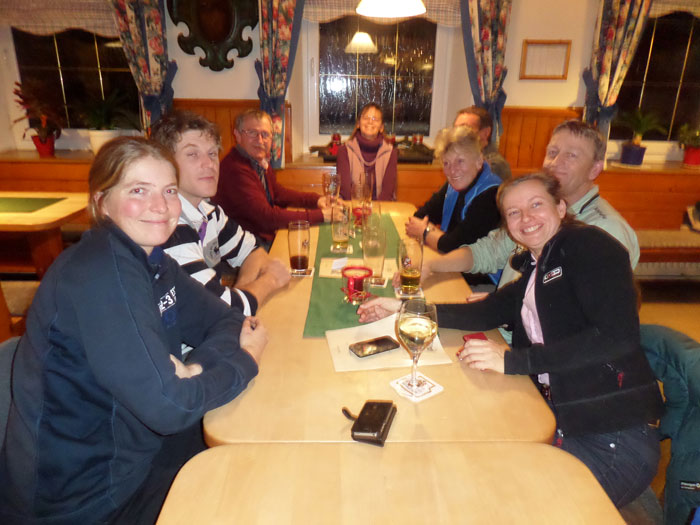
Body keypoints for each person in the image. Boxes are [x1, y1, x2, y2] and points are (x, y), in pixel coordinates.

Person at [0, 137, 267, 524]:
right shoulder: (99, 274)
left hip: (137, 452)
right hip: (86, 501)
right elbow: (171, 408)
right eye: (138, 190)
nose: (160, 206)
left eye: (169, 191)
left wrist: (197, 369)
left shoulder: (153, 261)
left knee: (257, 458)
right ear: (101, 202)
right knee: (245, 494)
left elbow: (227, 321)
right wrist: (246, 360)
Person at [358, 173, 664, 508]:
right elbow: (485, 312)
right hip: (560, 417)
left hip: (613, 437)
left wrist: (513, 361)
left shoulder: (590, 246)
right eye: (514, 212)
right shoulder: (538, 264)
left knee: (506, 505)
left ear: (561, 208)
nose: (526, 218)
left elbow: (617, 337)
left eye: (536, 205)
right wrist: (405, 309)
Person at [427, 120, 639, 298]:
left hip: (525, 331)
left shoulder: (607, 229)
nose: (556, 162)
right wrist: (433, 266)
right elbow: (488, 251)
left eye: (572, 155)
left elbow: (579, 308)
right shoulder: (536, 208)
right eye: (553, 152)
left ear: (594, 169)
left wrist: (507, 307)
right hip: (506, 319)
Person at [151, 110, 290, 316]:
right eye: (193, 154)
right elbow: (220, 311)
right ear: (165, 164)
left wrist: (240, 298)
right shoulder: (169, 230)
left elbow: (253, 252)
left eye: (212, 153)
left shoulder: (209, 212)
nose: (209, 164)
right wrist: (271, 279)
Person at [215, 109, 335, 246]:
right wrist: (322, 215)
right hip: (245, 248)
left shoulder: (257, 161)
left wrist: (317, 200)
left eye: (265, 134)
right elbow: (267, 218)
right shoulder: (235, 169)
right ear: (237, 135)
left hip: (259, 238)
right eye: (252, 133)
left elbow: (277, 193)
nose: (260, 140)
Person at [405, 127, 502, 286]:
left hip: (480, 284)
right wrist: (437, 237)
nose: (452, 170)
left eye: (460, 161)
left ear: (479, 161)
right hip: (454, 270)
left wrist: (425, 231)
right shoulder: (454, 185)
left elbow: (454, 247)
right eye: (446, 163)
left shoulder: (491, 195)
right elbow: (421, 215)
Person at [336, 103, 398, 201]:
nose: (370, 122)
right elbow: (345, 192)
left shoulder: (391, 153)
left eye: (375, 119)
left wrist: (373, 210)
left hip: (381, 207)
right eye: (365, 118)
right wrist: (359, 208)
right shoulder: (344, 151)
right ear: (358, 124)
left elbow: (387, 193)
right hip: (352, 206)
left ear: (381, 127)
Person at [453, 106, 511, 181]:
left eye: (465, 129)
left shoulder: (494, 165)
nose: (457, 134)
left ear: (486, 133)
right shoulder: (457, 161)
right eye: (456, 129)